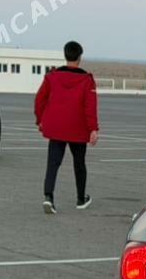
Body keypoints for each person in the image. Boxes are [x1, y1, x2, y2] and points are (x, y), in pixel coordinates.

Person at [34, 40, 99, 214]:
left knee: (53, 163)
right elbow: (89, 107)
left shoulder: (52, 77)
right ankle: (80, 198)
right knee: (79, 163)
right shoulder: (87, 80)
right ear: (79, 57)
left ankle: (48, 197)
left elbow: (39, 100)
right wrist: (93, 129)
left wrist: (40, 119)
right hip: (77, 129)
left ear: (65, 55)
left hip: (56, 128)